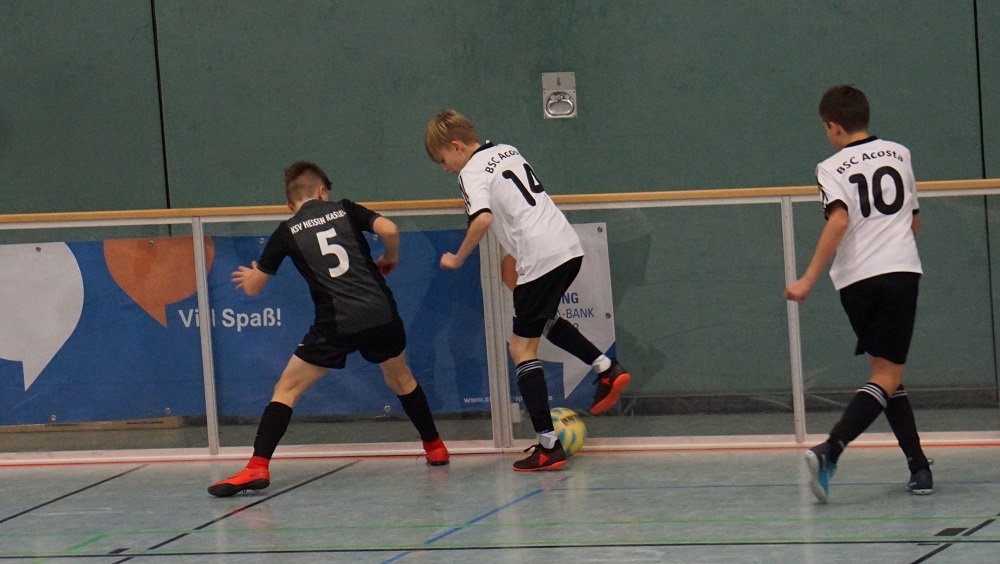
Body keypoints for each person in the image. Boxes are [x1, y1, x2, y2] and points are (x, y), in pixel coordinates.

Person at [208, 161, 449, 497]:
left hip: (335, 323)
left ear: (289, 205)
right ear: (322, 192)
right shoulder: (345, 209)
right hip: (380, 312)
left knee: (287, 389)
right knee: (400, 378)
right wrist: (388, 257)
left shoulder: (287, 231)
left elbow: (253, 288)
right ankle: (435, 447)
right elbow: (391, 230)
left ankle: (257, 466)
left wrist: (249, 277)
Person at [425, 109, 630, 472]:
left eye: (442, 160)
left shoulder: (470, 172)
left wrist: (458, 257)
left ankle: (549, 446)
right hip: (567, 247)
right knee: (544, 319)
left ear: (456, 146)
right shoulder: (506, 149)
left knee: (521, 348)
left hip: (541, 257)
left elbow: (483, 218)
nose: (444, 169)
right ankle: (605, 367)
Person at [785, 85, 931, 503]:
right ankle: (831, 449)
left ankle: (919, 467)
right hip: (900, 271)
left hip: (855, 281)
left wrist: (808, 278)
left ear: (833, 127)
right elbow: (913, 222)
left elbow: (839, 219)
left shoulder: (829, 166)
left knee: (885, 372)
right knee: (886, 375)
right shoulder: (900, 154)